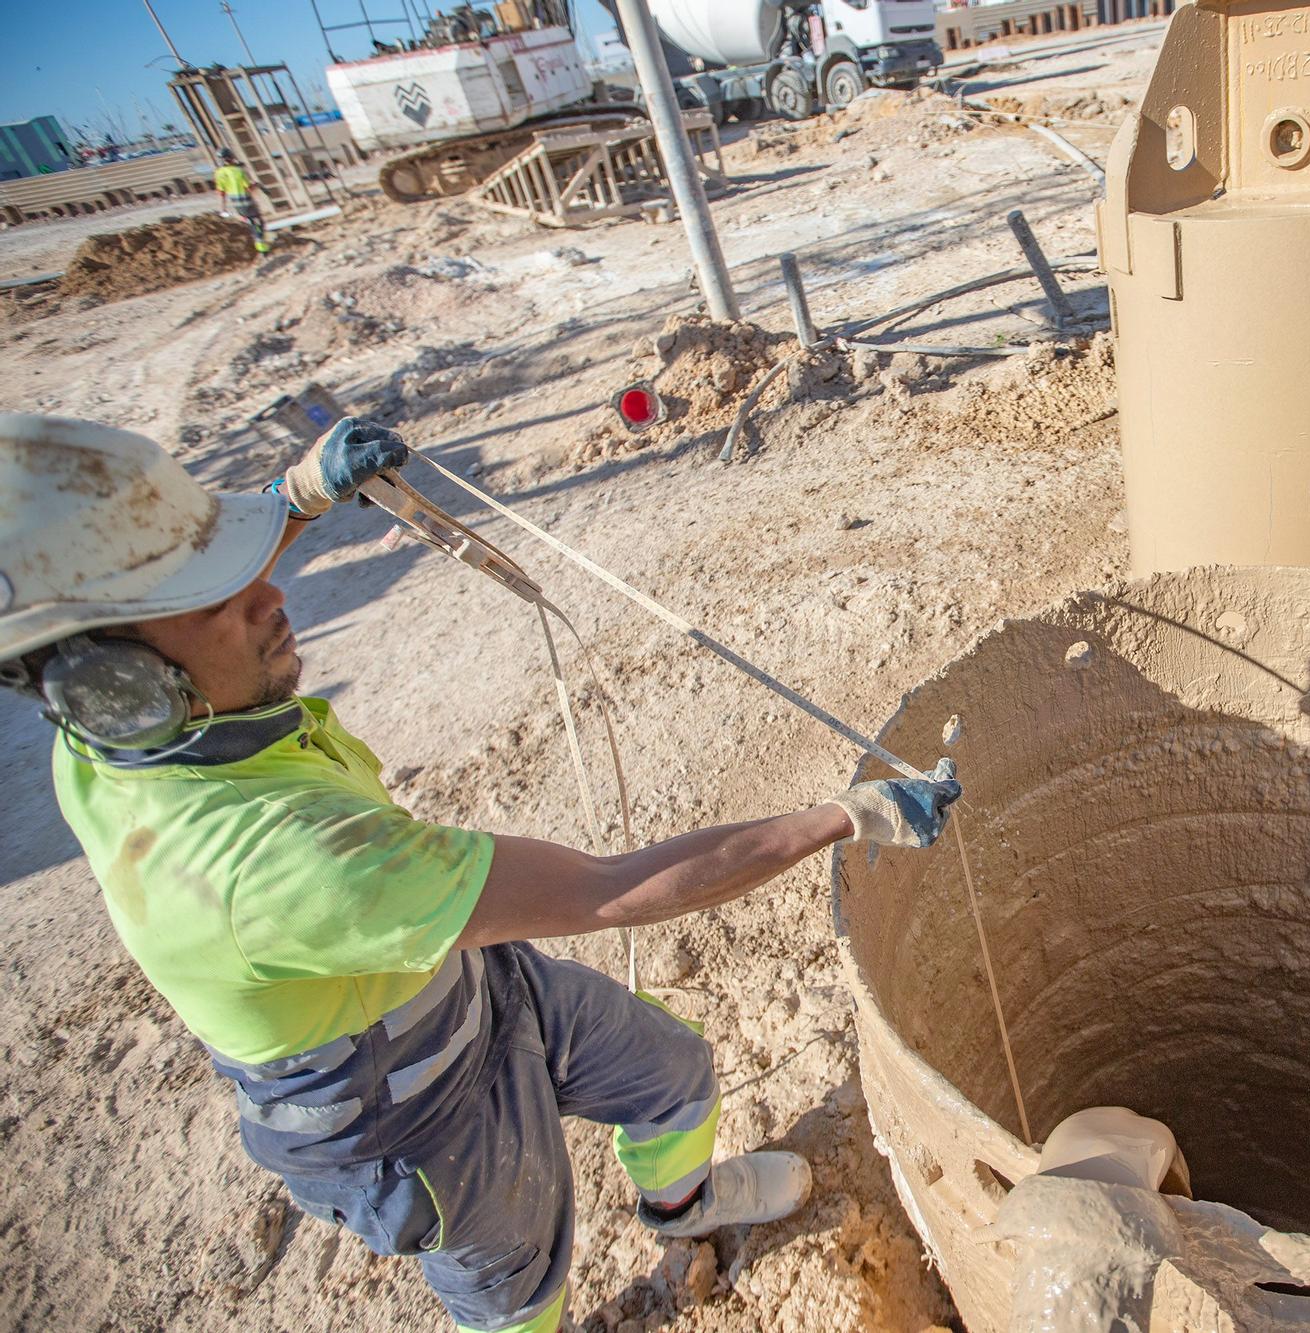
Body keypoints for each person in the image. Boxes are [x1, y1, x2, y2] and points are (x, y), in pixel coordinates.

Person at [0, 412, 962, 1333]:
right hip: (401, 1113)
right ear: (115, 686)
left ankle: (684, 1202)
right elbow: (607, 888)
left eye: (246, 565)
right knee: (514, 1274)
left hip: (457, 983)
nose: (274, 594)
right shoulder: (278, 866)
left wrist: (295, 498)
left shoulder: (123, 731)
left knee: (671, 1071)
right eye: (223, 601)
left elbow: (180, 600)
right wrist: (844, 814)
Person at [213, 149, 269, 255]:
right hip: (246, 201)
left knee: (251, 223)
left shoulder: (219, 173)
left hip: (236, 204)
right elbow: (248, 187)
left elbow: (221, 192)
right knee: (258, 223)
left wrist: (223, 209)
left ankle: (260, 246)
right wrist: (258, 185)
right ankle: (262, 248)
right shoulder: (238, 171)